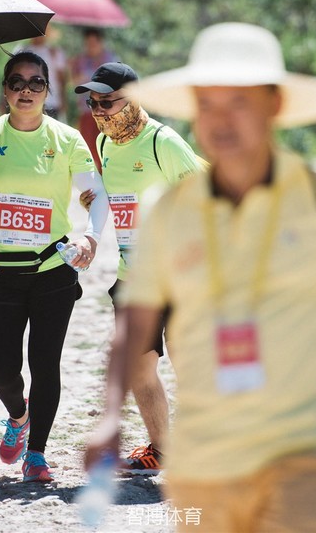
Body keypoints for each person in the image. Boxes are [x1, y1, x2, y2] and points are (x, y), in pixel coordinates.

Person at [87, 23, 316, 532]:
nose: (220, 120)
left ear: (276, 104)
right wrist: (110, 416)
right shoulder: (168, 209)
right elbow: (134, 321)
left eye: (238, 102)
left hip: (302, 453)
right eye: (207, 104)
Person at [0, 51, 109, 483]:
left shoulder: (68, 139)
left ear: (47, 91)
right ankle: (19, 418)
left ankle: (36, 454)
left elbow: (97, 194)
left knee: (45, 363)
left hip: (53, 272)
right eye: (17, 82)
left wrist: (90, 236)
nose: (26, 90)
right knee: (0, 368)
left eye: (35, 83)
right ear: (4, 91)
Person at [75, 62, 203, 475]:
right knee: (141, 368)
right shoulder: (106, 145)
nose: (99, 111)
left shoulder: (161, 142)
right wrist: (94, 204)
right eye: (93, 103)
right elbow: (119, 199)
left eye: (107, 101)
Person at [69, 28, 118, 169]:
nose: (91, 46)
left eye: (94, 42)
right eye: (88, 42)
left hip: (108, 110)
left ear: (100, 42)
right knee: (88, 146)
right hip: (87, 109)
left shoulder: (111, 58)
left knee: (107, 145)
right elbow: (73, 82)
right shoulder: (80, 60)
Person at [17, 25, 68, 122]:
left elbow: (61, 79)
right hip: (26, 101)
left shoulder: (54, 52)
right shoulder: (21, 50)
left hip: (51, 102)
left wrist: (63, 100)